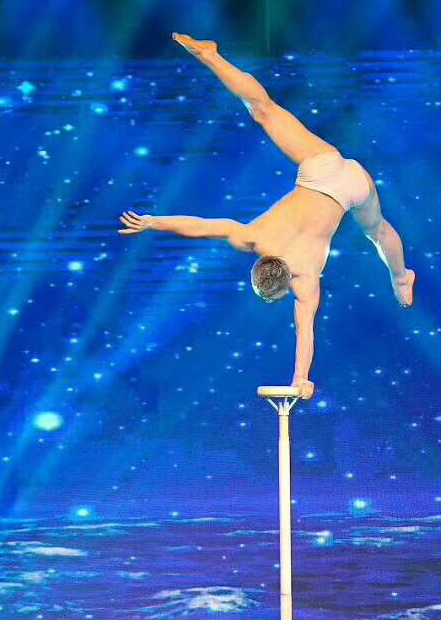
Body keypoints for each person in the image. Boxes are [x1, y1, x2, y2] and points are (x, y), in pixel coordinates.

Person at [119, 33, 415, 399]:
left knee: (378, 231)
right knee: (263, 109)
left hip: (349, 189)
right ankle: (212, 57)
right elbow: (202, 227)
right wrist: (153, 222)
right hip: (323, 166)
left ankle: (401, 279)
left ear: (286, 279)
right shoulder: (254, 238)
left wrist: (301, 379)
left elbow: (305, 331)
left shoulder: (305, 278)